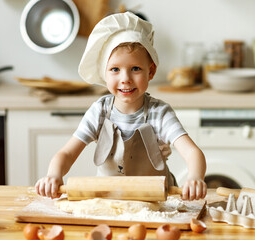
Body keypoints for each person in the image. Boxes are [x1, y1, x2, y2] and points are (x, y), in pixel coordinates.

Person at [35, 12, 207, 201]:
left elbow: (192, 152)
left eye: (135, 69)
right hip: (108, 200)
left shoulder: (160, 114)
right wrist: (53, 175)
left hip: (157, 203)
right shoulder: (99, 112)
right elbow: (66, 153)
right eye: (115, 69)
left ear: (150, 71)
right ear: (105, 73)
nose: (125, 79)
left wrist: (195, 177)